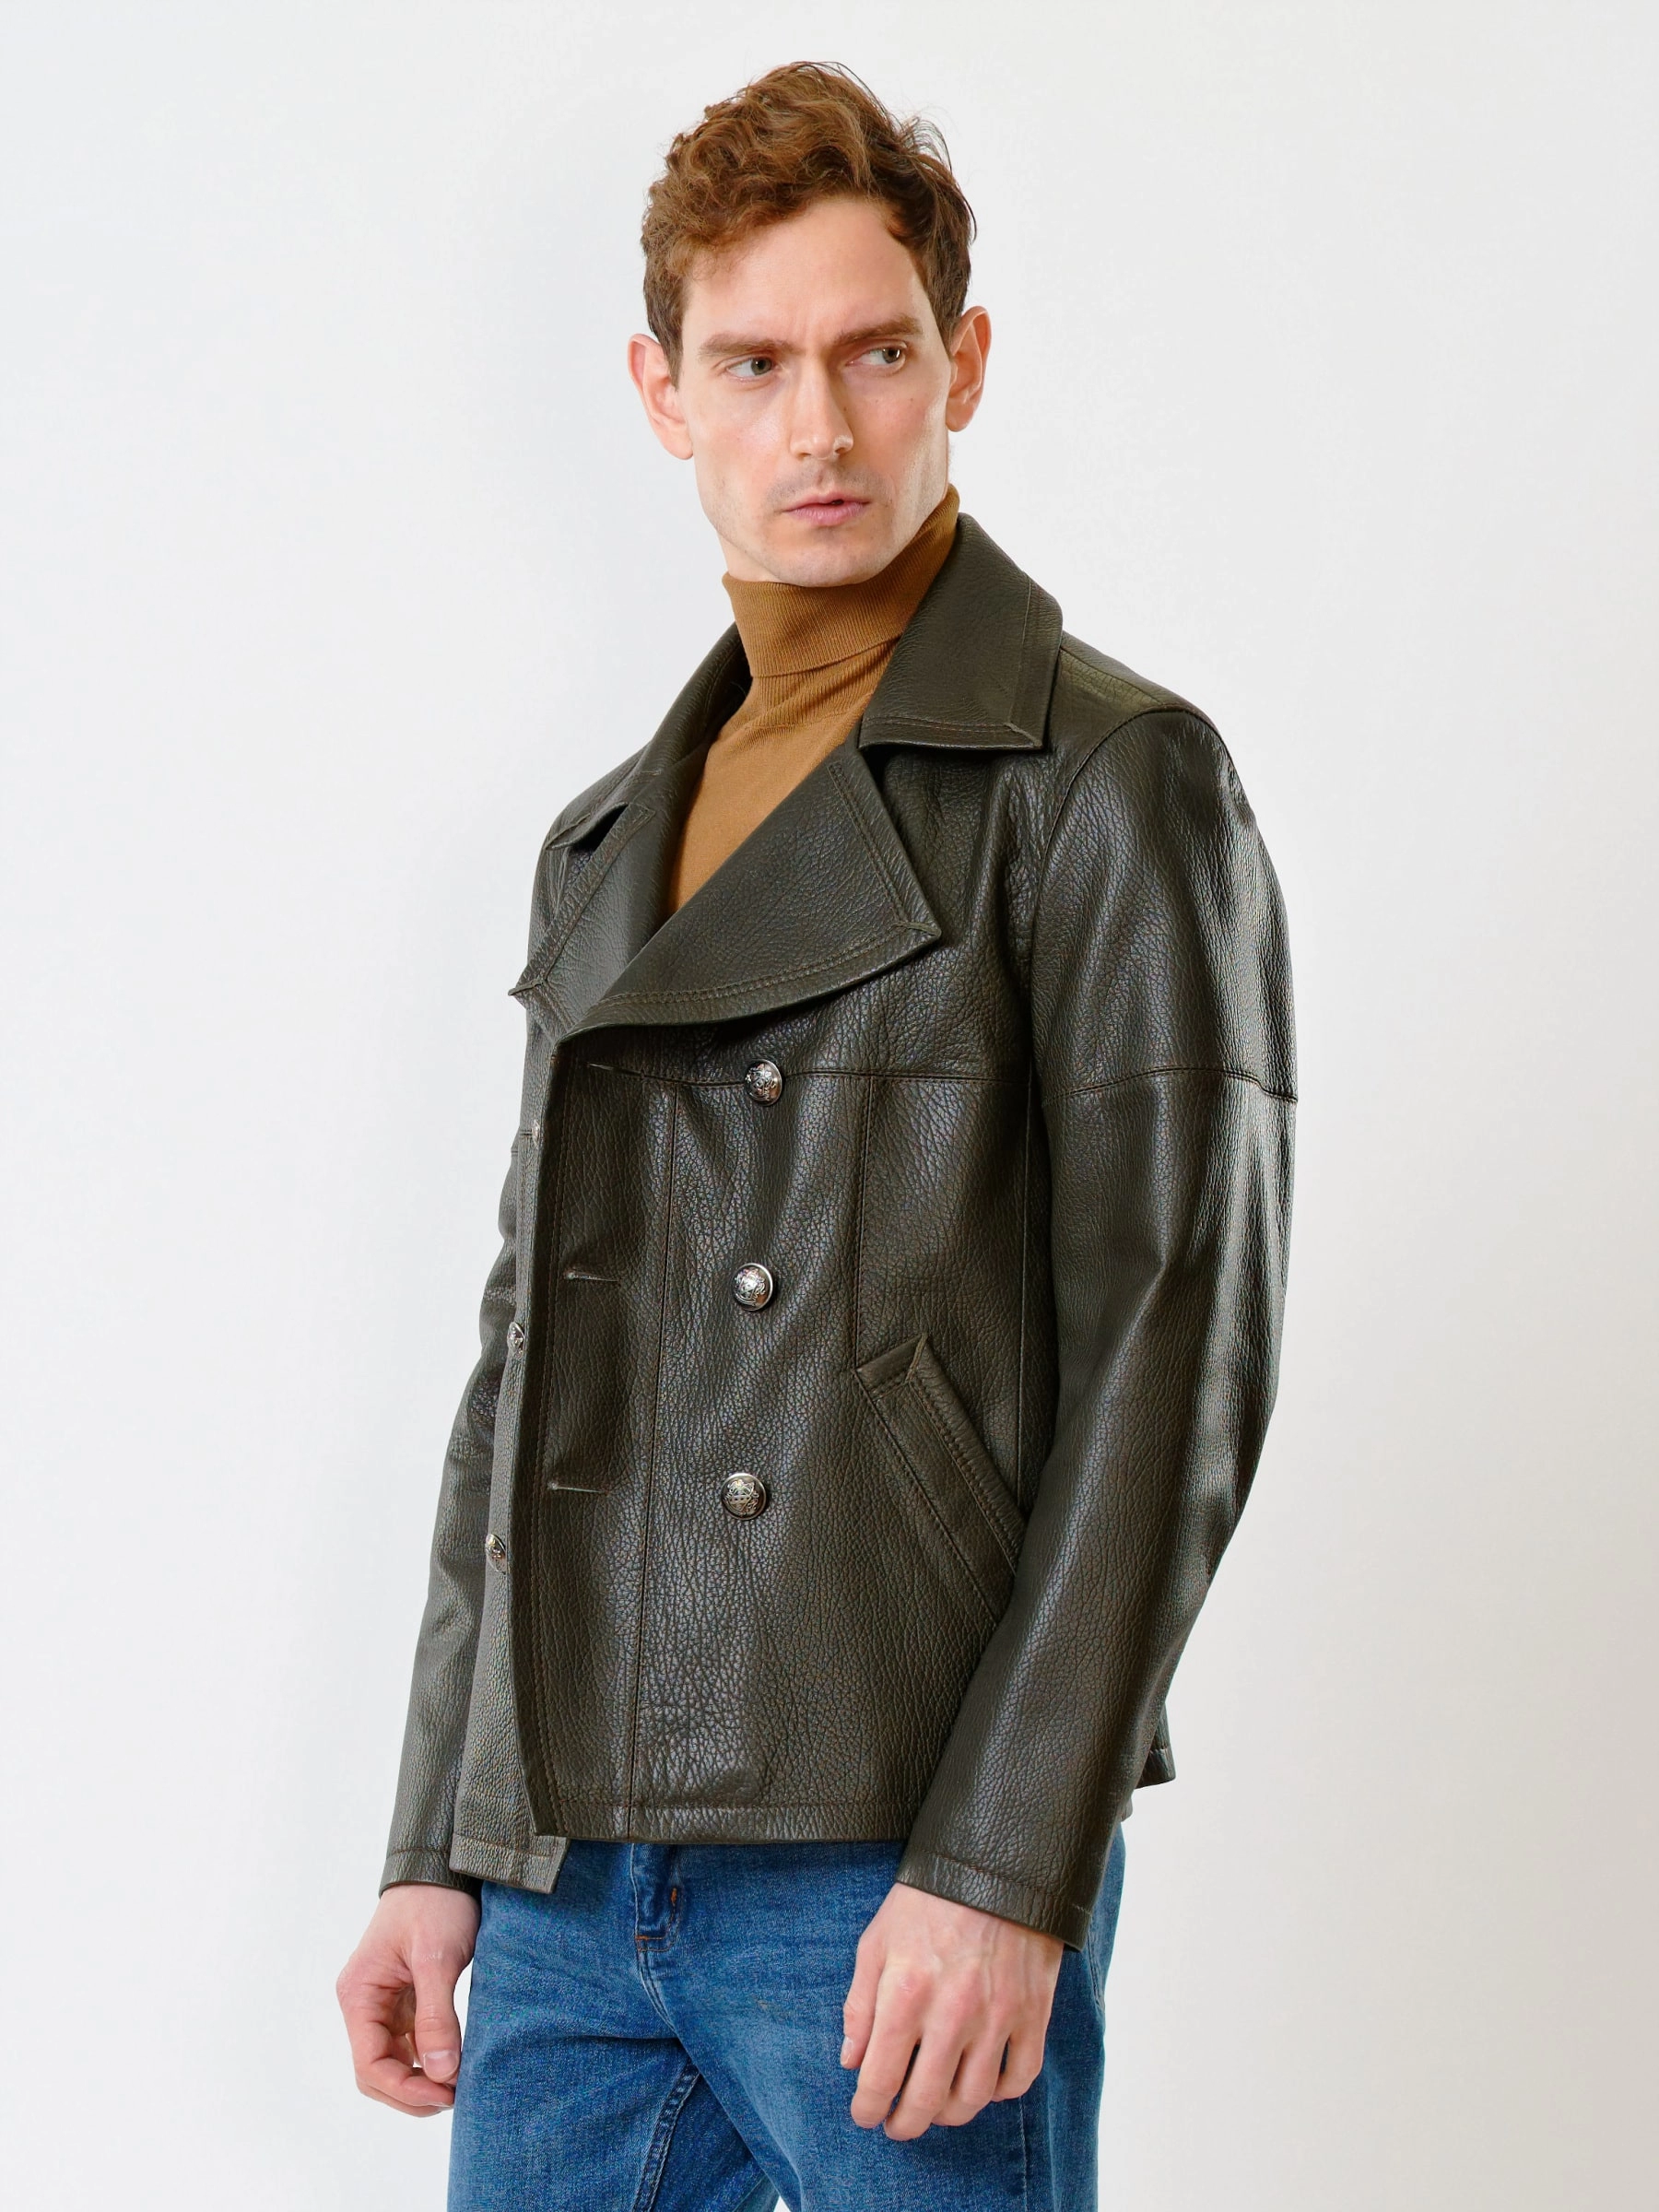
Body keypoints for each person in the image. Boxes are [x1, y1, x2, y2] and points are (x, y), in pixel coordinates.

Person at [336, 58, 1295, 2212]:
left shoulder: (1106, 779)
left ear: (965, 363)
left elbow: (1176, 1350)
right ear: (663, 395)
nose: (820, 428)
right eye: (753, 364)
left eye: (874, 354)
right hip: (565, 1870)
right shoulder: (606, 842)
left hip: (888, 1860)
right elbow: (524, 1371)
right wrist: (436, 1839)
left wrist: (1008, 1860)